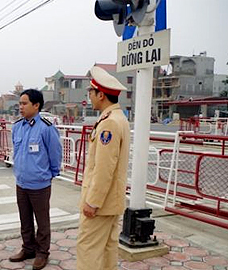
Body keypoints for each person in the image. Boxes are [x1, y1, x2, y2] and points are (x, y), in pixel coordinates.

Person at [76, 66, 131, 270]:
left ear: (101, 95)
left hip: (100, 204)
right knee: (108, 250)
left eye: (91, 91)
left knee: (88, 251)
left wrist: (93, 201)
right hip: (112, 201)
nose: (89, 95)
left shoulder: (109, 123)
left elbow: (104, 168)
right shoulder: (118, 118)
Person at [9, 89, 62, 270]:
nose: (20, 107)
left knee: (42, 222)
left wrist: (51, 174)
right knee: (25, 220)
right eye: (20, 104)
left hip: (40, 184)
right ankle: (28, 248)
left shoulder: (46, 127)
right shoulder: (17, 127)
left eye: (24, 103)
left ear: (36, 105)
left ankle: (42, 253)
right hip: (21, 183)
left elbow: (55, 153)